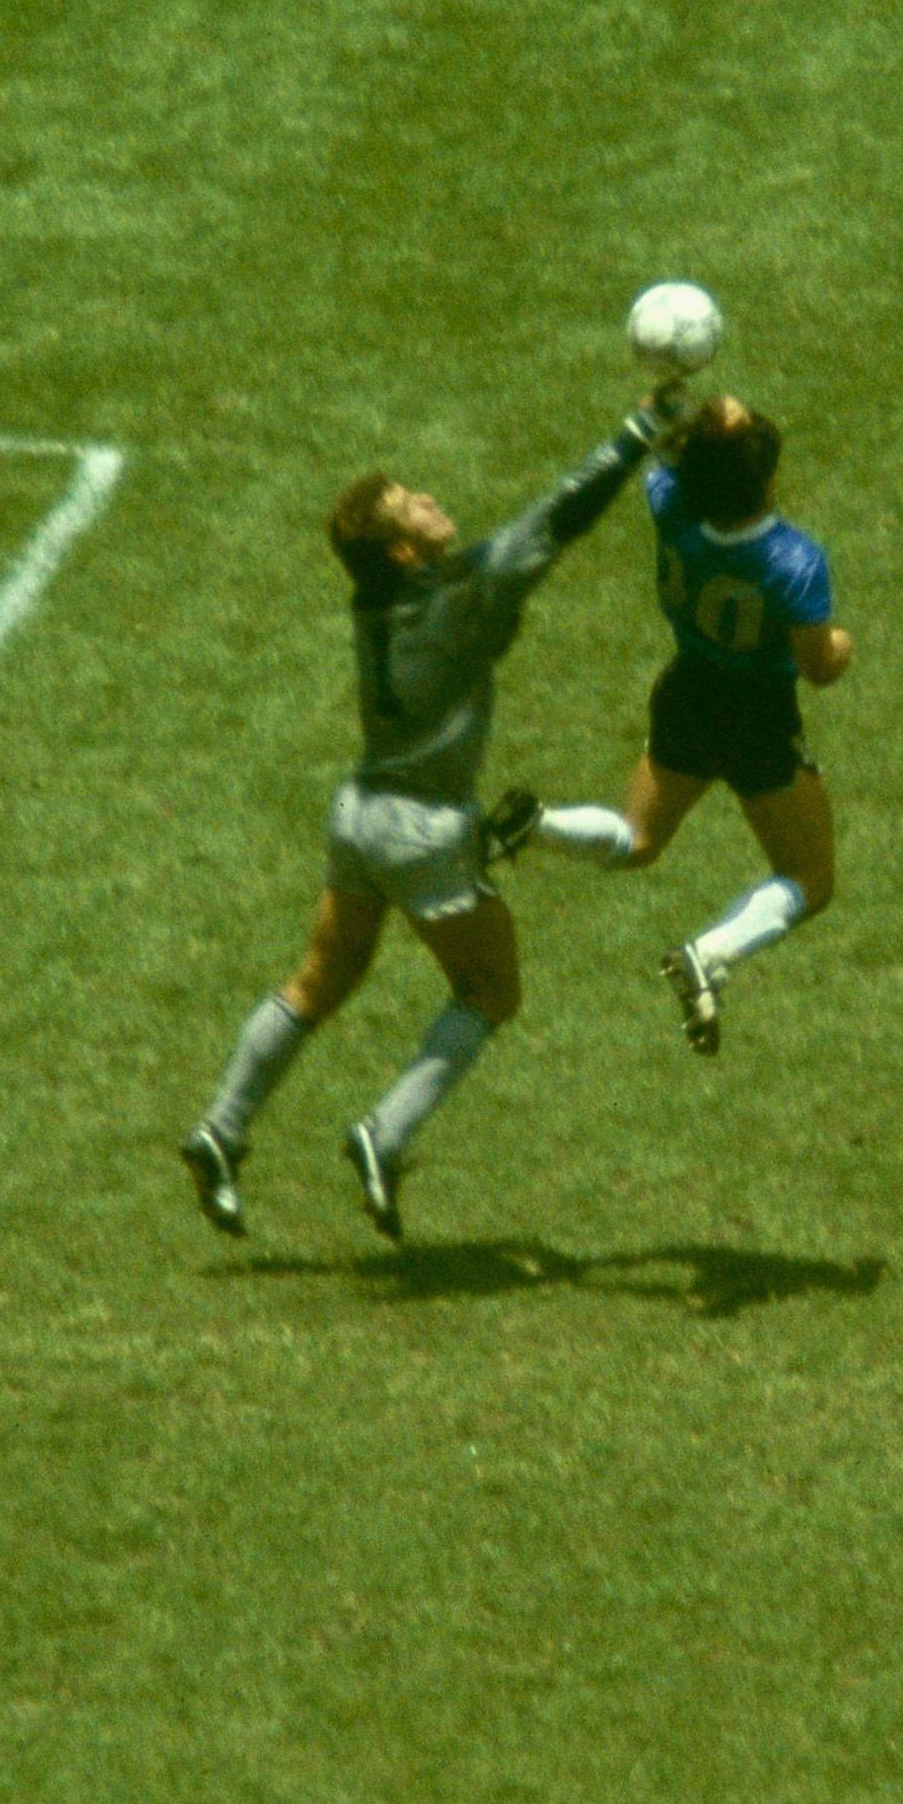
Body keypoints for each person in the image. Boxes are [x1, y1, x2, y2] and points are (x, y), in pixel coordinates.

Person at [177, 384, 686, 1241]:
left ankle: (221, 1129)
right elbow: (557, 518)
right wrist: (640, 432)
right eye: (412, 506)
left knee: (320, 981)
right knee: (490, 987)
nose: (431, 501)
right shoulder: (459, 592)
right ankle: (386, 1133)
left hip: (358, 812)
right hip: (424, 828)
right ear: (405, 551)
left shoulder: (373, 599)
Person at [512, 395, 851, 1056]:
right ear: (763, 476)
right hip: (756, 715)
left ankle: (541, 826)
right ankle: (712, 953)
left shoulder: (672, 505)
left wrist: (680, 405)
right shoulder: (794, 561)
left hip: (687, 692)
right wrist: (842, 642)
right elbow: (820, 668)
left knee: (637, 840)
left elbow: (658, 442)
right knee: (811, 879)